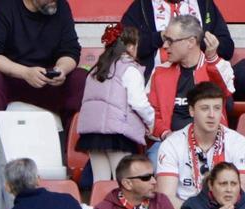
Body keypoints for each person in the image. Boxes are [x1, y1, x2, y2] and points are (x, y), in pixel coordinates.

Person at [0, 0, 84, 128]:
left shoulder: (61, 6)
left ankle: (72, 143)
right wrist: (25, 73)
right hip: (11, 80)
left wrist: (61, 70)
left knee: (80, 78)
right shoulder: (4, 7)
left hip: (48, 81)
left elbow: (71, 50)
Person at [76, 24, 154, 182]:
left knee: (100, 181)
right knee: (122, 181)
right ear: (131, 47)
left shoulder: (95, 70)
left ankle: (97, 206)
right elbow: (138, 102)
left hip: (92, 134)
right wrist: (151, 121)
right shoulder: (130, 70)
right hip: (117, 134)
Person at [145, 16, 234, 146]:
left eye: (170, 41)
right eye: (165, 40)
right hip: (168, 143)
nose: (164, 46)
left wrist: (212, 60)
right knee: (152, 162)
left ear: (191, 42)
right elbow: (151, 113)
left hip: (210, 144)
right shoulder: (159, 72)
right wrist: (166, 134)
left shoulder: (218, 66)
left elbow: (226, 94)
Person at [157, 82, 245, 209]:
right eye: (205, 108)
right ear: (191, 111)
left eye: (216, 108)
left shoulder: (238, 143)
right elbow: (167, 197)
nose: (212, 115)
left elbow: (241, 192)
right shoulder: (172, 144)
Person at [121, 0, 234, 79]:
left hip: (201, 79)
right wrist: (160, 37)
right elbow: (122, 47)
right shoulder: (142, 5)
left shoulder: (204, 3)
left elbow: (227, 48)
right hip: (154, 78)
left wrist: (194, 38)